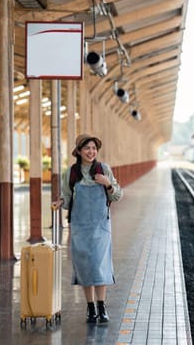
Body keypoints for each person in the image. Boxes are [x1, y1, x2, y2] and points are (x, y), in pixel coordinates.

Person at [52, 134, 123, 325]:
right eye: (87, 148)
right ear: (79, 151)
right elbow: (66, 197)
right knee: (85, 267)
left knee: (100, 265)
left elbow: (117, 196)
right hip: (80, 227)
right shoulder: (72, 173)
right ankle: (90, 307)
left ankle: (102, 306)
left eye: (94, 148)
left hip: (101, 226)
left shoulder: (104, 169)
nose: (91, 152)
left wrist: (107, 184)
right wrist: (60, 202)